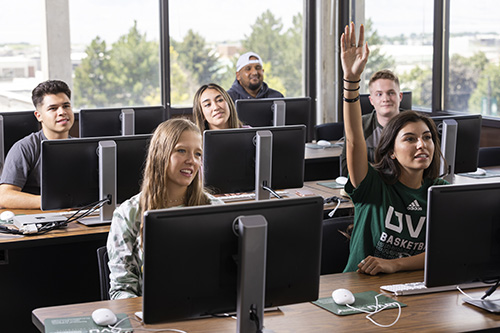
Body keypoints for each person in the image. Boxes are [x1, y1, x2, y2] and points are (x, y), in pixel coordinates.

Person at [340, 22, 448, 275]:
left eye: (427, 137)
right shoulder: (373, 185)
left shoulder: (439, 192)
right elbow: (355, 139)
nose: (422, 144)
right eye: (409, 139)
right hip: (361, 289)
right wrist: (351, 80)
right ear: (390, 150)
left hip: (416, 292)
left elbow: (443, 249)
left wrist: (394, 264)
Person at [106, 118, 224, 300]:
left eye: (198, 154)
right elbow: (121, 289)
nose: (191, 161)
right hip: (151, 318)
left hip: (207, 312)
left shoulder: (215, 209)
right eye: (181, 151)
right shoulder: (128, 214)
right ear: (160, 154)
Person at [0, 80, 74, 209]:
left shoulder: (82, 147)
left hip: (78, 218)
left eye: (66, 106)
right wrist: (53, 202)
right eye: (53, 108)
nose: (62, 112)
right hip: (38, 221)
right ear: (39, 116)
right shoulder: (24, 148)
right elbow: (5, 196)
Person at [340, 69, 403, 176]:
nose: (385, 99)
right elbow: (346, 169)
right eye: (379, 94)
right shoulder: (359, 125)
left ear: (400, 97)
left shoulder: (413, 125)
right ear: (371, 100)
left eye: (391, 93)